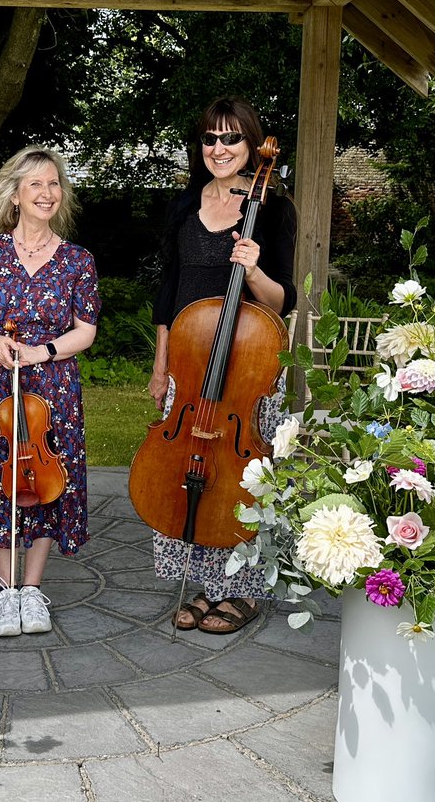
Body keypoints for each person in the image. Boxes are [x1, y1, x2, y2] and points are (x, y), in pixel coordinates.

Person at [147, 97, 297, 635]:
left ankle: (244, 589)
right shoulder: (185, 204)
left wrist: (254, 271)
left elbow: (283, 300)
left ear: (252, 145)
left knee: (243, 476)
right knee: (189, 468)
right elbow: (169, 289)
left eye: (231, 138)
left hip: (247, 367)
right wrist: (161, 363)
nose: (219, 148)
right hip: (189, 366)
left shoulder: (273, 208)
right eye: (210, 138)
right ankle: (204, 583)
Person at [0, 146, 100, 637]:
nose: (47, 192)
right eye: (35, 183)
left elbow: (86, 330)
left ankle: (32, 590)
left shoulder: (77, 259)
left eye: (54, 183)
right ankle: (6, 590)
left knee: (47, 480)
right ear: (14, 194)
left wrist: (44, 351)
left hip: (52, 385)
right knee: (1, 478)